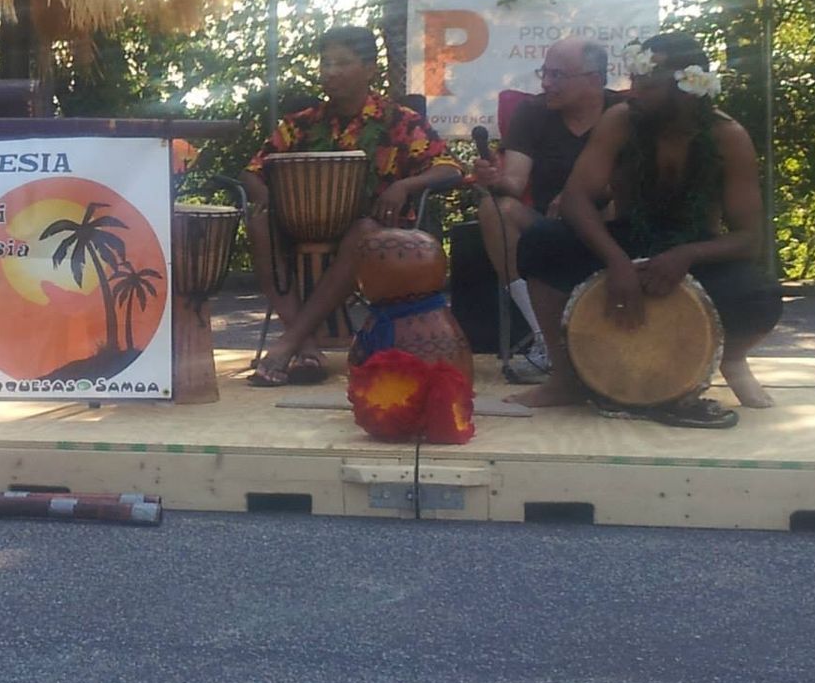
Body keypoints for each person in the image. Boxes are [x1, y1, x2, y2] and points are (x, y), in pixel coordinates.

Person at [510, 32, 781, 423]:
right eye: (634, 82)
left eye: (647, 86)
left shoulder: (728, 137)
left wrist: (685, 256)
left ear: (687, 89)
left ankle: (731, 358)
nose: (632, 93)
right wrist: (617, 262)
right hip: (629, 237)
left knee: (761, 294)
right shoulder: (621, 119)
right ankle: (566, 377)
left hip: (695, 248)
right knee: (541, 243)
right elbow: (576, 199)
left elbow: (749, 240)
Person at [242, 26, 461, 386]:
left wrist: (406, 185)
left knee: (364, 232)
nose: (330, 71)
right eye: (325, 63)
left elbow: (449, 167)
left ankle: (290, 343)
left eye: (342, 63)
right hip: (304, 227)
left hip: (375, 231)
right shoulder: (301, 124)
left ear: (370, 69)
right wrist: (264, 196)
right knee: (259, 224)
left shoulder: (400, 121)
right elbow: (252, 170)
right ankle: (307, 346)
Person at [472, 38, 618, 376]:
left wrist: (580, 197)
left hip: (608, 223)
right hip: (546, 228)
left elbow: (637, 183)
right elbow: (514, 184)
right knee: (495, 208)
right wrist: (494, 178)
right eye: (544, 73)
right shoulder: (533, 112)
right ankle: (546, 339)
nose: (545, 84)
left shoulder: (621, 114)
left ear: (594, 80)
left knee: (618, 207)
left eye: (557, 75)